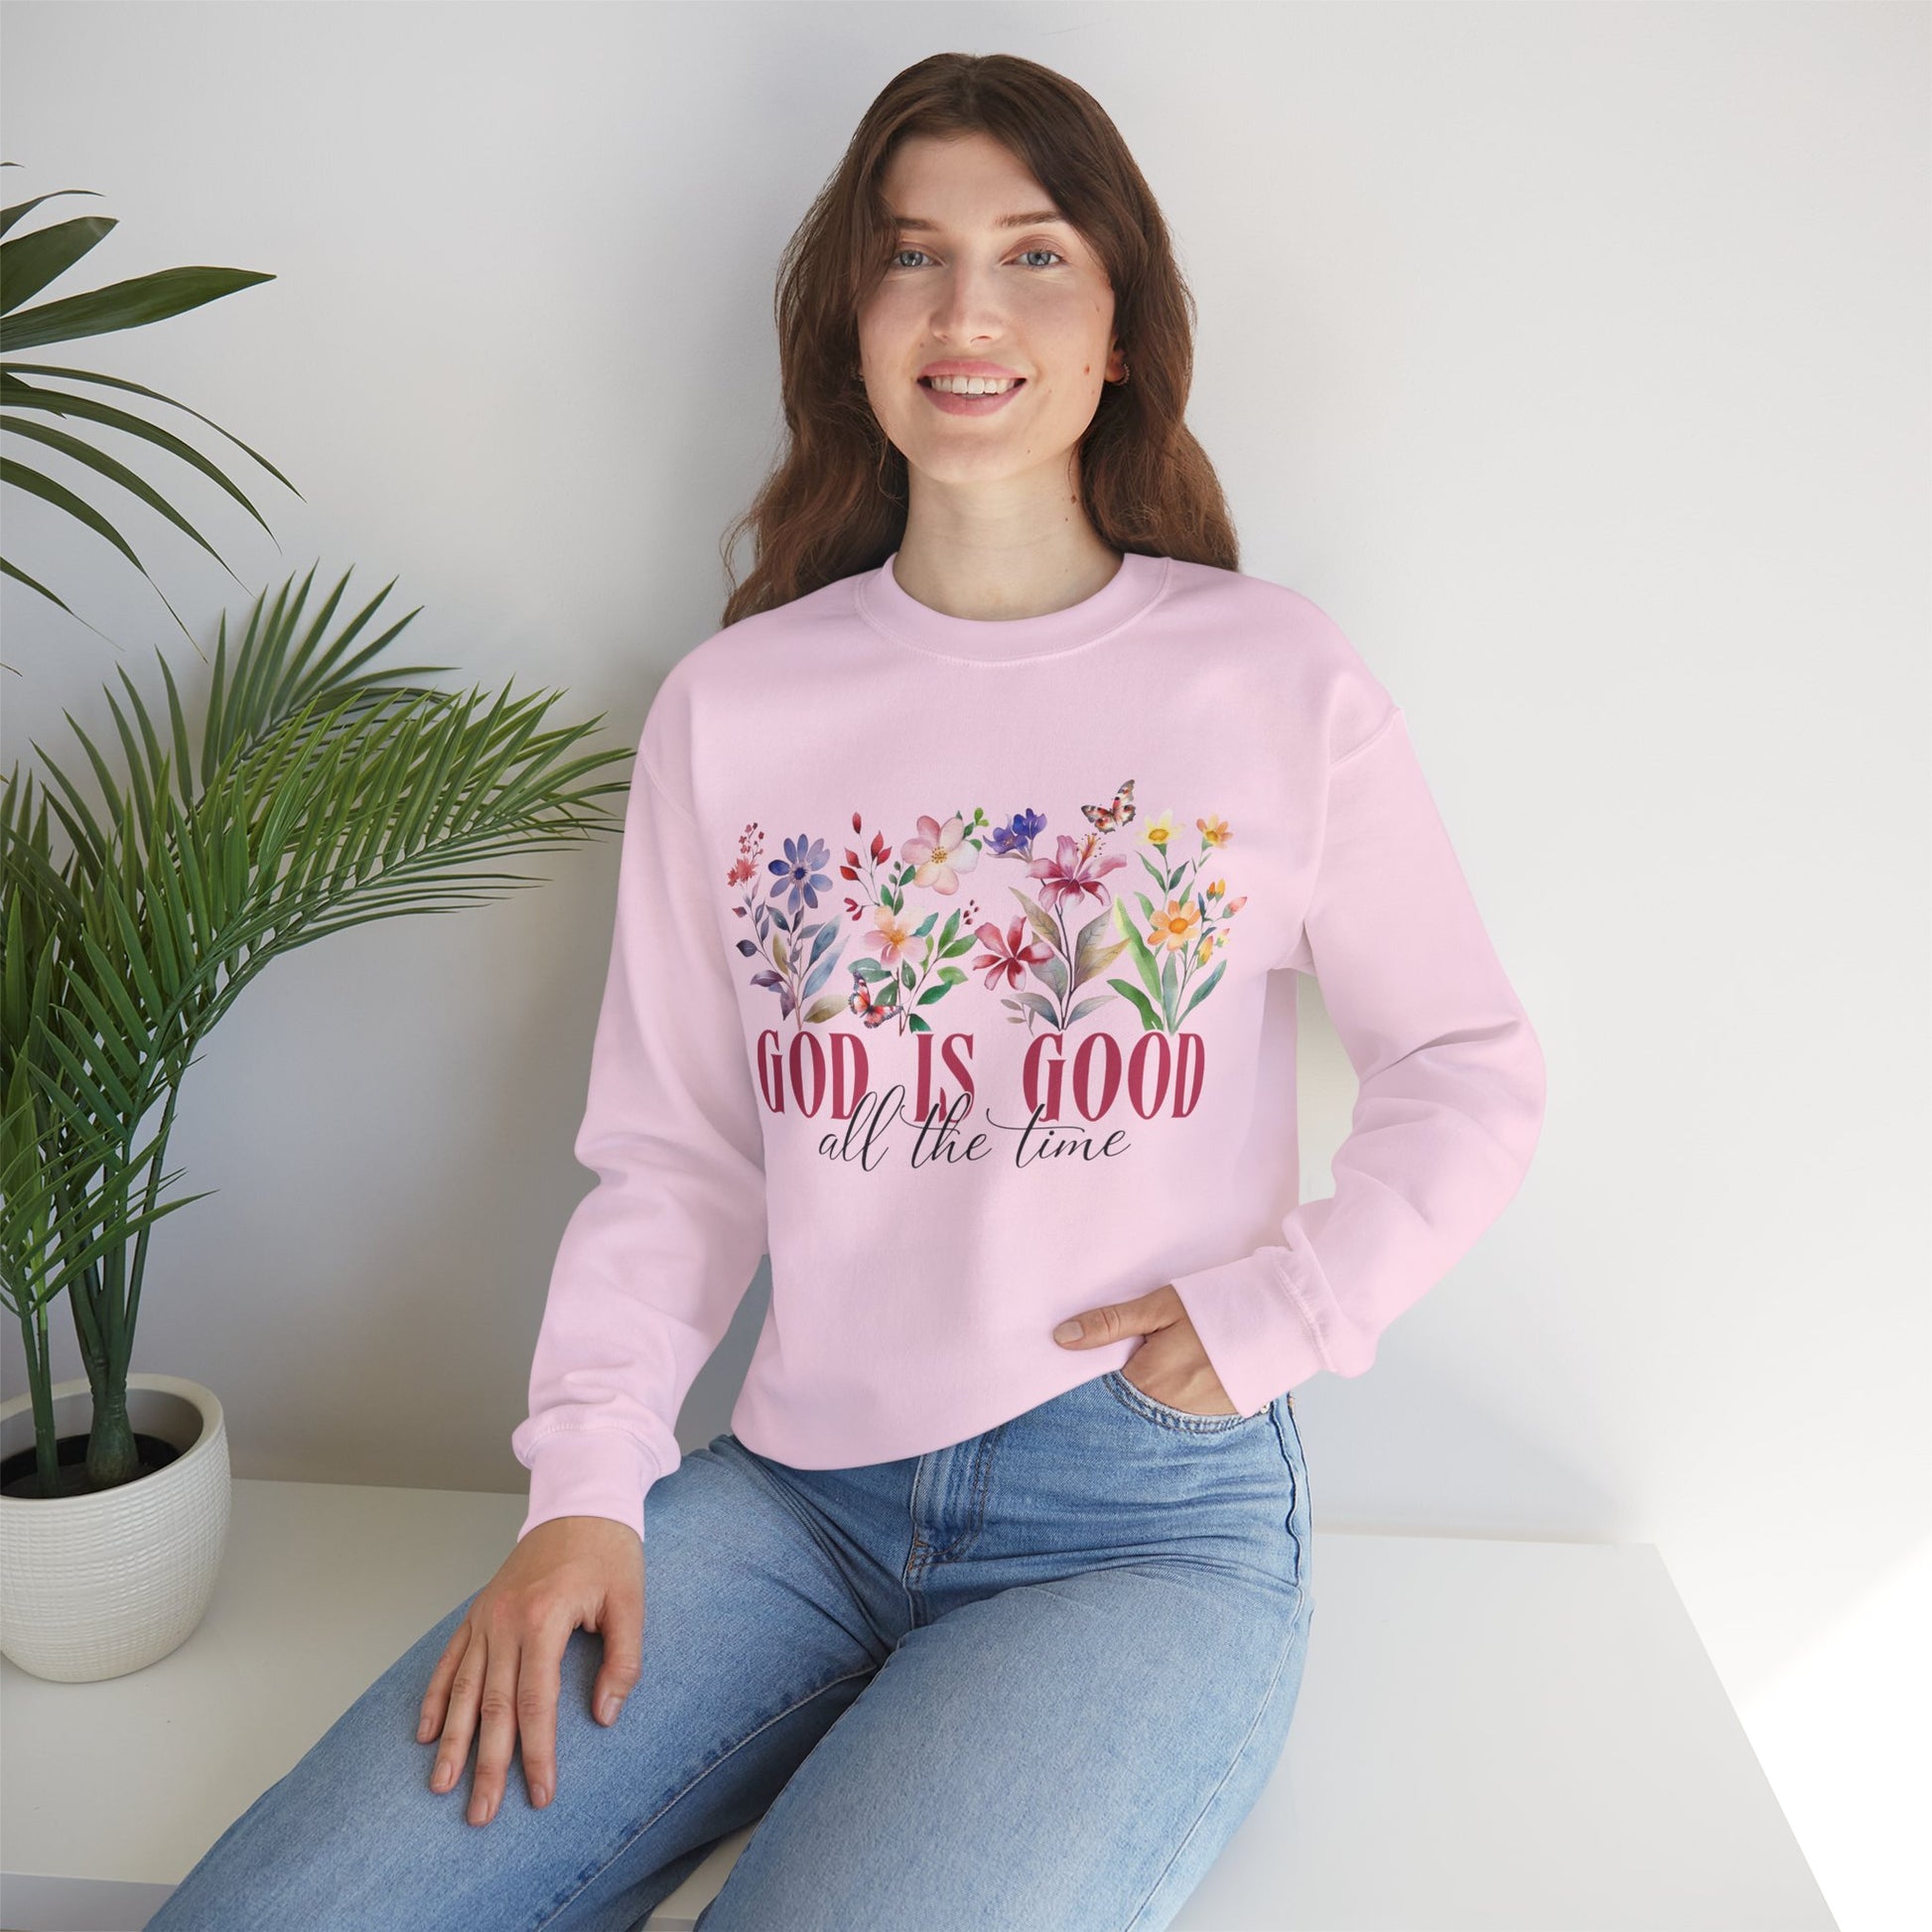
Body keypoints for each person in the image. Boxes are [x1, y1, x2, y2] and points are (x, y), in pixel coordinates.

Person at [147, 50, 1546, 1932]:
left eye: (1033, 256)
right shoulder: (740, 707)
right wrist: (585, 1484)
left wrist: (1289, 1303)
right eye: (911, 259)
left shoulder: (1269, 681)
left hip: (1136, 1525)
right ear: (854, 322)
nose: (968, 311)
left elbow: (1465, 1062)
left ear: (1119, 324)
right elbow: (678, 1157)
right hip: (793, 1497)